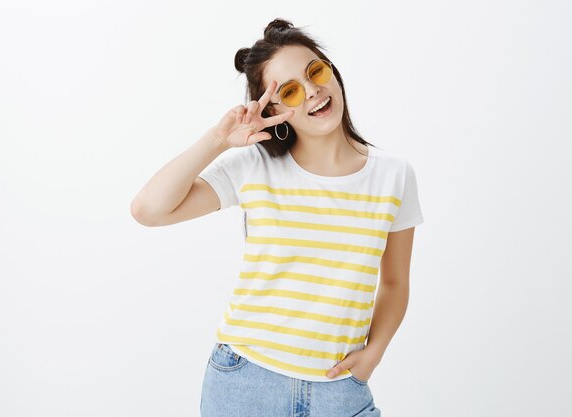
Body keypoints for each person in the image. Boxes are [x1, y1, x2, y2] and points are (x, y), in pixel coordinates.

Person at [131, 18, 424, 417]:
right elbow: (149, 209)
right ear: (274, 110)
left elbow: (394, 282)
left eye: (315, 72)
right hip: (245, 384)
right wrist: (218, 140)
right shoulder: (254, 168)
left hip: (340, 390)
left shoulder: (394, 175)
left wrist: (374, 353)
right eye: (290, 91)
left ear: (332, 72)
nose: (312, 91)